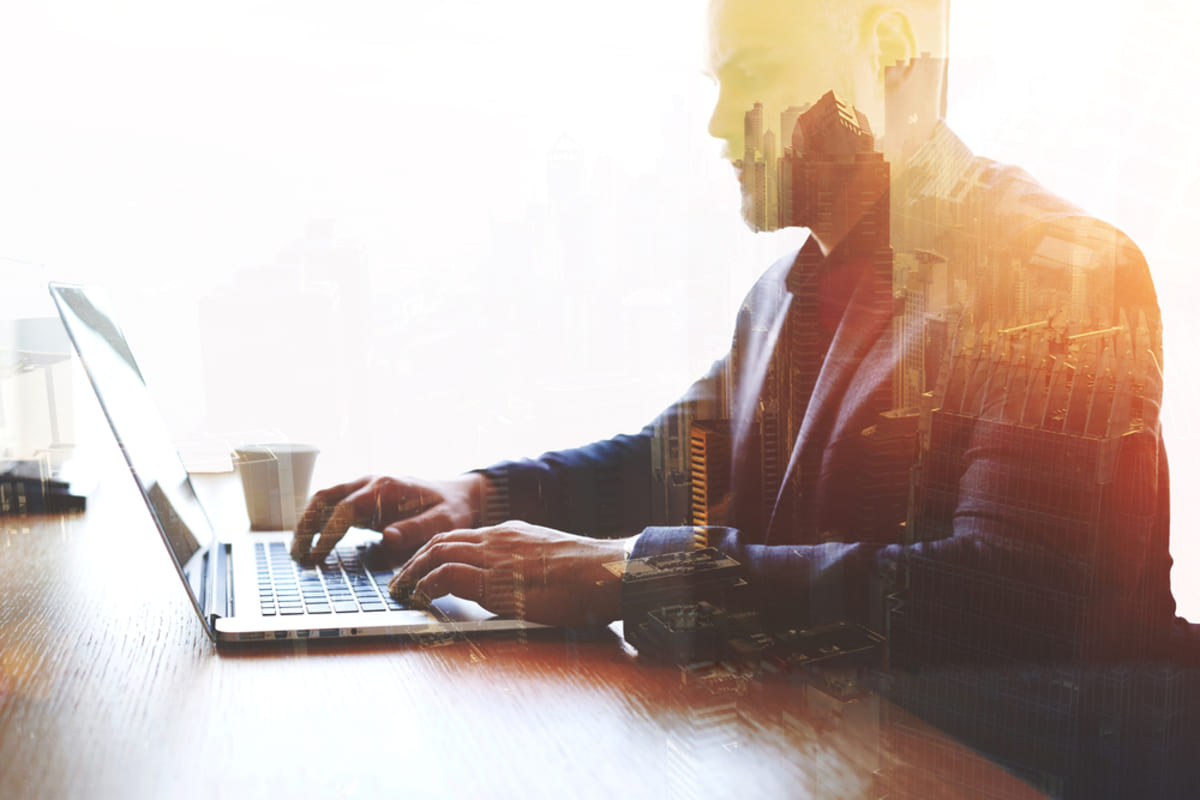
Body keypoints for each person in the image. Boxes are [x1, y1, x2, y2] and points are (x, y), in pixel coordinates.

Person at [291, 0, 1185, 662]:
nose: (719, 124)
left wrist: (630, 574)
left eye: (752, 75)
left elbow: (1014, 595)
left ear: (885, 47)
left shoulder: (1059, 269)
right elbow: (674, 460)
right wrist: (483, 496)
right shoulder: (786, 292)